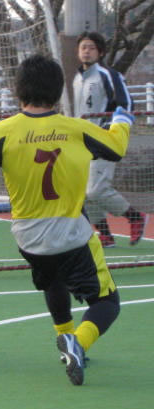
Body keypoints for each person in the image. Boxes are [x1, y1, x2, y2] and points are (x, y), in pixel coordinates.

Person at [0, 54, 133, 386]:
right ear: (58, 92)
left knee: (53, 281)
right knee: (107, 302)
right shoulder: (76, 129)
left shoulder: (1, 132)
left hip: (28, 237)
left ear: (18, 91)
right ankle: (78, 343)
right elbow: (116, 148)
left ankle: (64, 339)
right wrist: (123, 118)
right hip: (71, 234)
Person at [73, 31, 147, 248]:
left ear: (101, 52)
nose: (86, 51)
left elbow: (127, 104)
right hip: (81, 142)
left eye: (91, 48)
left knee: (95, 189)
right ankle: (105, 235)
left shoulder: (108, 75)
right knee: (83, 191)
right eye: (83, 47)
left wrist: (112, 129)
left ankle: (135, 217)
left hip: (103, 140)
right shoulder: (77, 79)